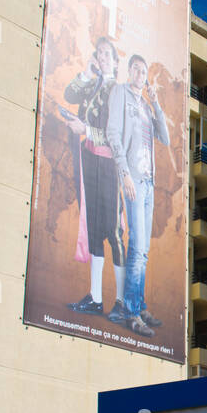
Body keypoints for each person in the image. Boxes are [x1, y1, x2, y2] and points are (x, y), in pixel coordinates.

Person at [62, 36, 127, 322]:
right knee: (94, 229)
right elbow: (69, 94)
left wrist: (85, 130)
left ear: (115, 60)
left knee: (113, 231)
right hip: (89, 159)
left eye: (106, 54)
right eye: (98, 54)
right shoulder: (94, 82)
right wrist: (88, 73)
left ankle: (123, 301)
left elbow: (117, 136)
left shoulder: (117, 91)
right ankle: (97, 297)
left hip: (108, 164)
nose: (102, 58)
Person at [106, 53, 170, 338]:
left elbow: (165, 139)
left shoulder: (146, 104)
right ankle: (130, 313)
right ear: (129, 71)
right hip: (133, 178)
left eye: (143, 71)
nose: (139, 74)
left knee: (143, 250)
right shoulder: (120, 93)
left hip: (148, 182)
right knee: (137, 246)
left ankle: (138, 303)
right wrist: (124, 173)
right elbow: (112, 132)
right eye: (135, 69)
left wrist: (155, 102)